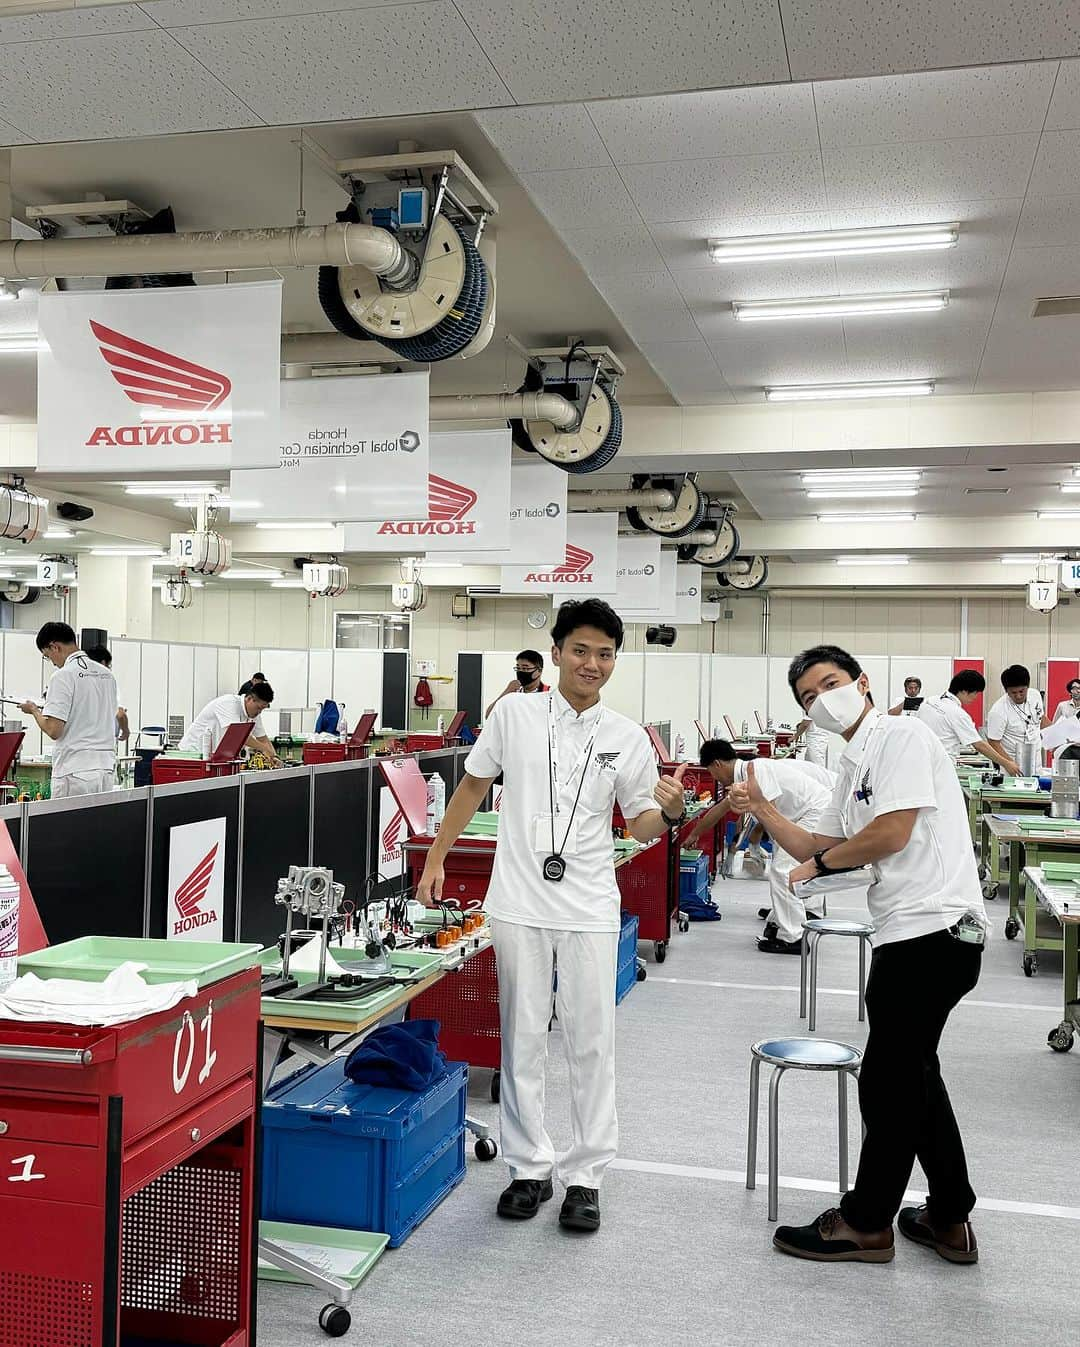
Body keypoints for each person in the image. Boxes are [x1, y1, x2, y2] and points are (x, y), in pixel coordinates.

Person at [417, 599, 686, 1234]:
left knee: (592, 1040)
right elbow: (471, 788)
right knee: (523, 1036)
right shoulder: (512, 714)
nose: (592, 663)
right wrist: (436, 857)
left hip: (590, 903)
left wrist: (669, 811)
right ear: (558, 652)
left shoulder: (626, 736)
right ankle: (528, 1166)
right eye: (581, 650)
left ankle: (586, 1175)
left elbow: (640, 824)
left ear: (616, 661)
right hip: (518, 901)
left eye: (605, 654)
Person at [729, 644, 986, 1266]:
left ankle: (867, 1221)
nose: (821, 699)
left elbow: (890, 833)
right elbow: (824, 840)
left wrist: (818, 863)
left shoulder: (900, 734)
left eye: (830, 683)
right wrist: (762, 809)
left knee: (889, 1081)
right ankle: (950, 1214)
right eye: (808, 697)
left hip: (935, 929)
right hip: (909, 932)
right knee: (914, 1075)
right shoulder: (852, 760)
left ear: (863, 682)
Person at [686, 740, 835, 952]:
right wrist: (694, 834)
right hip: (807, 813)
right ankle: (784, 920)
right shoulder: (744, 776)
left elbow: (769, 813)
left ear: (717, 764)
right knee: (785, 868)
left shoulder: (755, 771)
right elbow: (720, 809)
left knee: (783, 871)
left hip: (815, 812)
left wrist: (753, 844)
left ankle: (793, 937)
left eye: (711, 772)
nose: (714, 778)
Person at [21, 622, 118, 798]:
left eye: (47, 655)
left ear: (54, 646)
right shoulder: (107, 675)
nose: (52, 662)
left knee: (67, 825)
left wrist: (34, 710)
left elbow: (54, 730)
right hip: (105, 769)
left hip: (75, 772)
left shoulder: (63, 675)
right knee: (99, 824)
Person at [918, 670, 1019, 775]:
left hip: (922, 761)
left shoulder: (929, 701)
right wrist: (1007, 763)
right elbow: (979, 745)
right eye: (975, 693)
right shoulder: (958, 713)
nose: (975, 698)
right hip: (942, 766)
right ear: (964, 691)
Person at [180, 684, 282, 766]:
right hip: (192, 755)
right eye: (259, 708)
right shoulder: (229, 703)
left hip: (213, 759)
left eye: (262, 709)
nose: (259, 712)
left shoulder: (254, 713)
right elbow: (237, 736)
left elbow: (262, 738)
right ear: (249, 698)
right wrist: (264, 749)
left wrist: (274, 757)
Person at [986, 665, 1049, 775]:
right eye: (1013, 693)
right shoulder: (998, 710)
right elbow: (993, 742)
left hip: (1036, 760)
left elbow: (1041, 718)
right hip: (1012, 764)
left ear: (1027, 686)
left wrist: (1057, 737)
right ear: (1006, 691)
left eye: (1022, 691)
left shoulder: (1035, 695)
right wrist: (1008, 763)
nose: (1018, 696)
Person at [86, 644, 129, 744]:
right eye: (109, 665)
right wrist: (126, 730)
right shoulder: (108, 681)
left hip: (82, 742)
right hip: (104, 742)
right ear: (103, 663)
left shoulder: (80, 682)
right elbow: (120, 714)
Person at [485, 650, 549, 717]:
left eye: (525, 668)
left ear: (539, 671)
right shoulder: (513, 693)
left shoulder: (548, 694)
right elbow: (489, 715)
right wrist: (507, 691)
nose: (521, 671)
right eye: (518, 668)